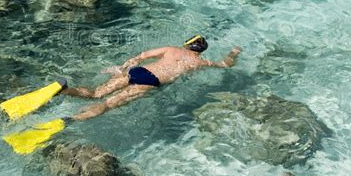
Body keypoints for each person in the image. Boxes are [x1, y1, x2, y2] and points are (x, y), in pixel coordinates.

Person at [60, 35, 242, 121]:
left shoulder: (171, 49)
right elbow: (225, 64)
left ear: (187, 44)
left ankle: (66, 90)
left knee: (96, 93)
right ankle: (74, 119)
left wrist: (123, 67)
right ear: (201, 51)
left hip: (138, 71)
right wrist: (233, 53)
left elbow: (142, 55)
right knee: (108, 104)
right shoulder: (200, 63)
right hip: (150, 82)